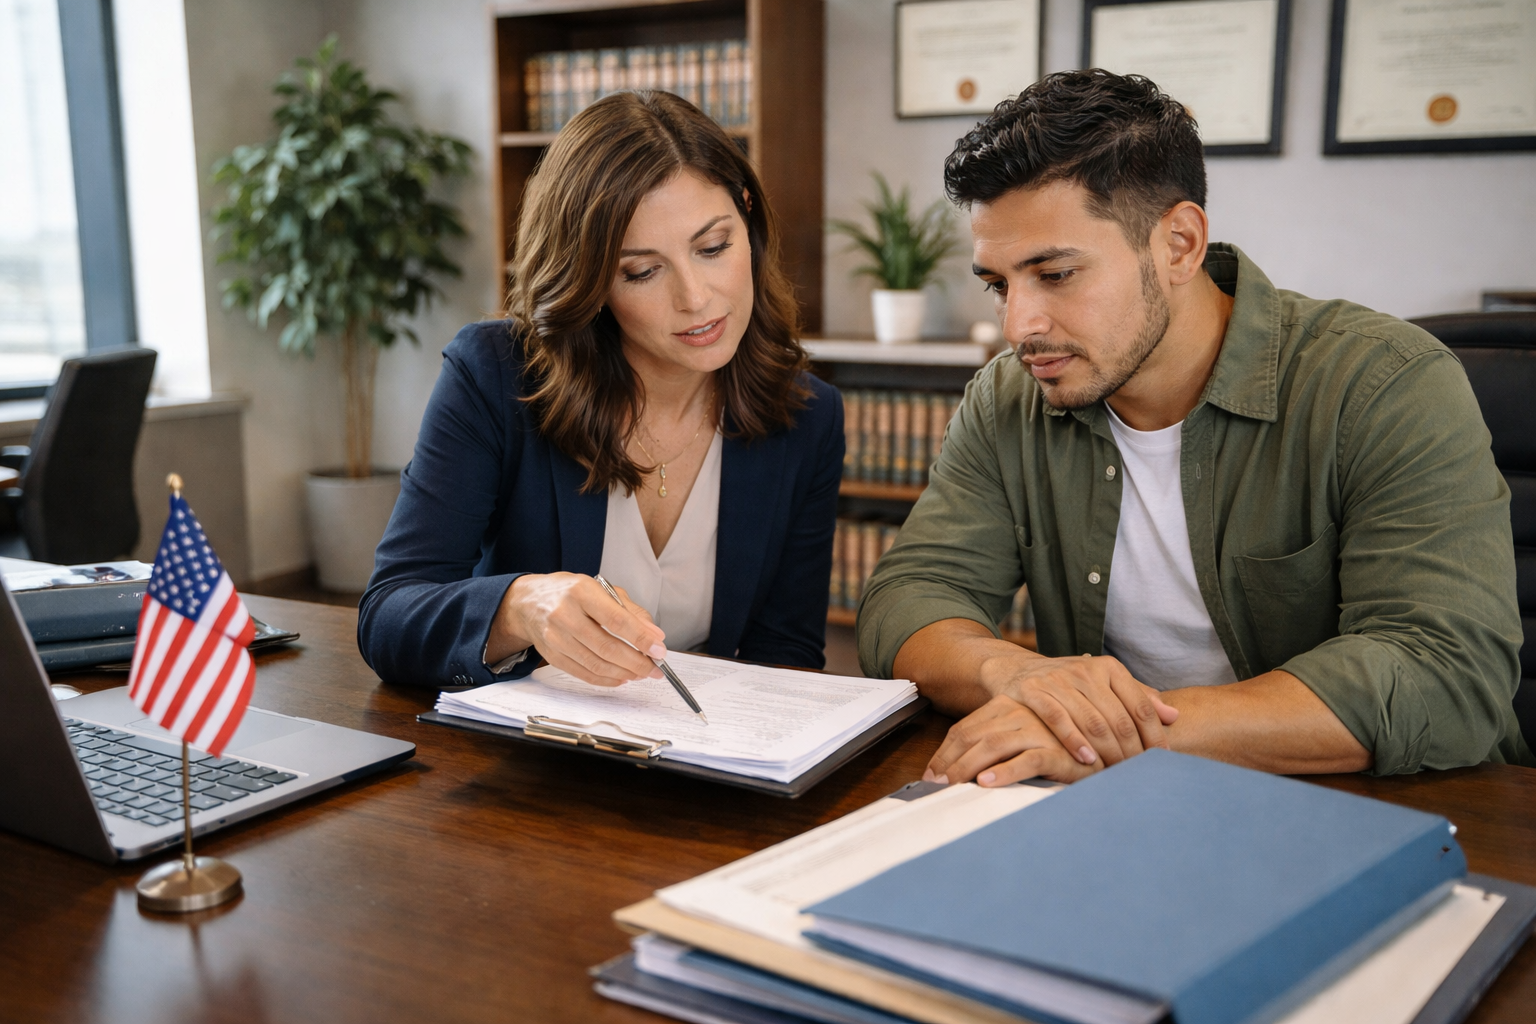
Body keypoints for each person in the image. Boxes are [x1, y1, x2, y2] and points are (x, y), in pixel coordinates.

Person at [858, 70, 1529, 785]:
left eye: (1054, 275)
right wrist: (1015, 674)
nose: (1018, 325)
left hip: (1383, 804)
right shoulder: (1009, 398)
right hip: (1119, 796)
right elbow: (910, 597)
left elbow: (1444, 673)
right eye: (998, 284)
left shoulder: (1383, 384)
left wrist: (1120, 737)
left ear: (1179, 244)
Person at [359, 91, 843, 689]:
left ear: (748, 215)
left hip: (701, 741)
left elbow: (787, 652)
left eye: (713, 247)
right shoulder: (495, 374)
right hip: (527, 737)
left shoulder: (809, 416)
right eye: (641, 271)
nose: (695, 298)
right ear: (588, 280)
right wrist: (519, 608)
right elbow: (389, 616)